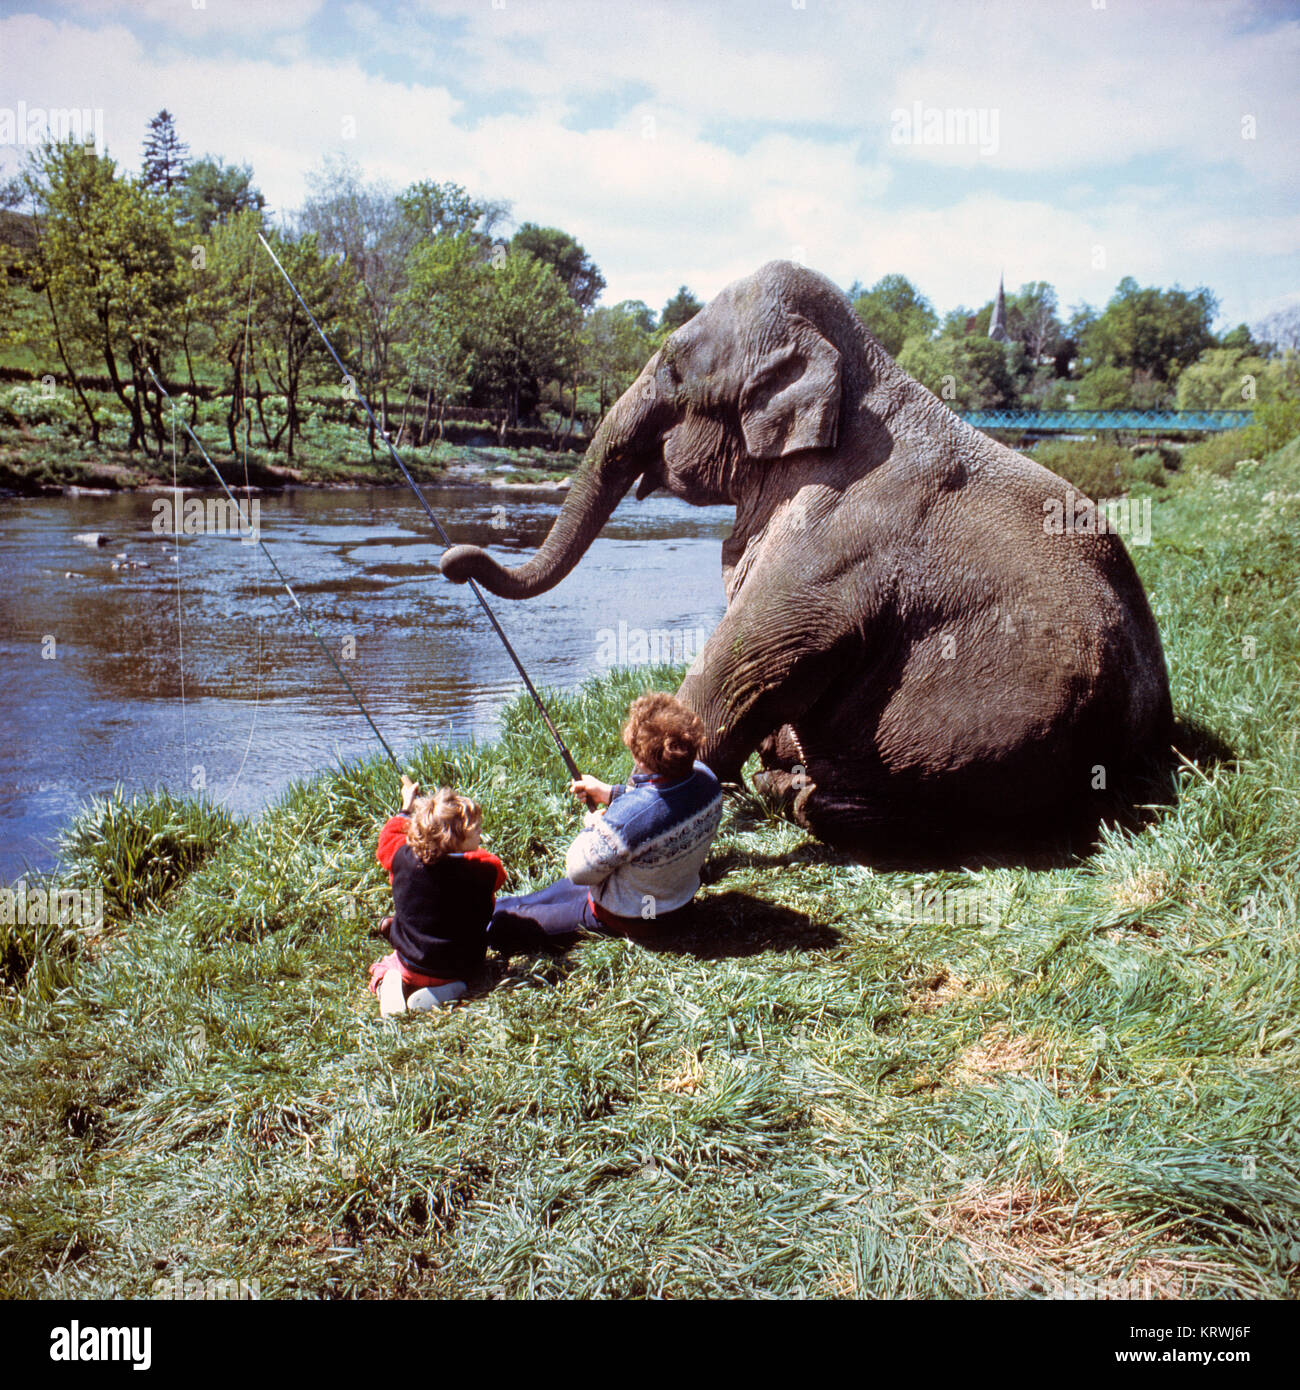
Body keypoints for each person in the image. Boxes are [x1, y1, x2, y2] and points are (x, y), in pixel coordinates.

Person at [487, 692, 723, 954]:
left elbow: (578, 872)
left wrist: (593, 827)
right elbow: (665, 804)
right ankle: (489, 909)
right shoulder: (707, 780)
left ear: (640, 758)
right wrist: (610, 793)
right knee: (508, 905)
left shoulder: (626, 821)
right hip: (674, 902)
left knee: (501, 926)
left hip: (639, 918)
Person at [369, 775, 507, 1013]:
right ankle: (450, 989)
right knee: (464, 968)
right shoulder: (482, 871)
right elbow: (497, 869)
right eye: (475, 831)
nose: (480, 835)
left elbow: (387, 840)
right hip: (459, 966)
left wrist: (407, 808)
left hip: (411, 963)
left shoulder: (403, 857)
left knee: (387, 964)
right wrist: (468, 854)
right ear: (454, 840)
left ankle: (388, 982)